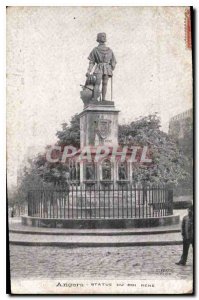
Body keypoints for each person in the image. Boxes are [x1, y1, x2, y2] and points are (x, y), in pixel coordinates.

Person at [86, 32, 116, 101]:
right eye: (102, 36)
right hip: (99, 68)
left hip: (107, 68)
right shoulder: (95, 50)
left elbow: (113, 60)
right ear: (99, 38)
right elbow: (92, 62)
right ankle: (95, 99)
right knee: (97, 83)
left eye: (105, 36)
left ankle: (104, 99)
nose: (104, 37)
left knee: (105, 83)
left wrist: (112, 67)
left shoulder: (109, 50)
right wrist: (88, 71)